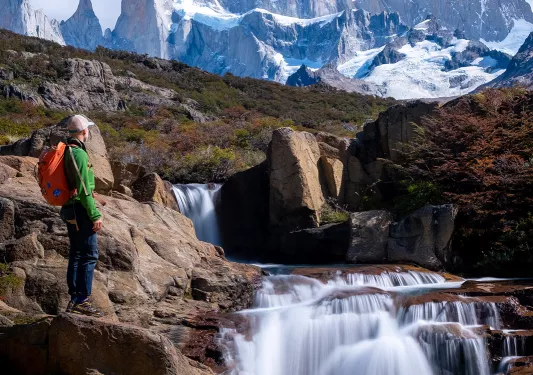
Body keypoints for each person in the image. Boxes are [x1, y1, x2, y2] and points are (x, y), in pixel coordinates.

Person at [60, 115, 104, 317]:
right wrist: (95, 215)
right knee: (88, 255)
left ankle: (76, 298)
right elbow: (84, 189)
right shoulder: (78, 154)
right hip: (80, 211)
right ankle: (81, 300)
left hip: (71, 208)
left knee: (77, 254)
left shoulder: (66, 150)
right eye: (89, 130)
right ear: (85, 132)